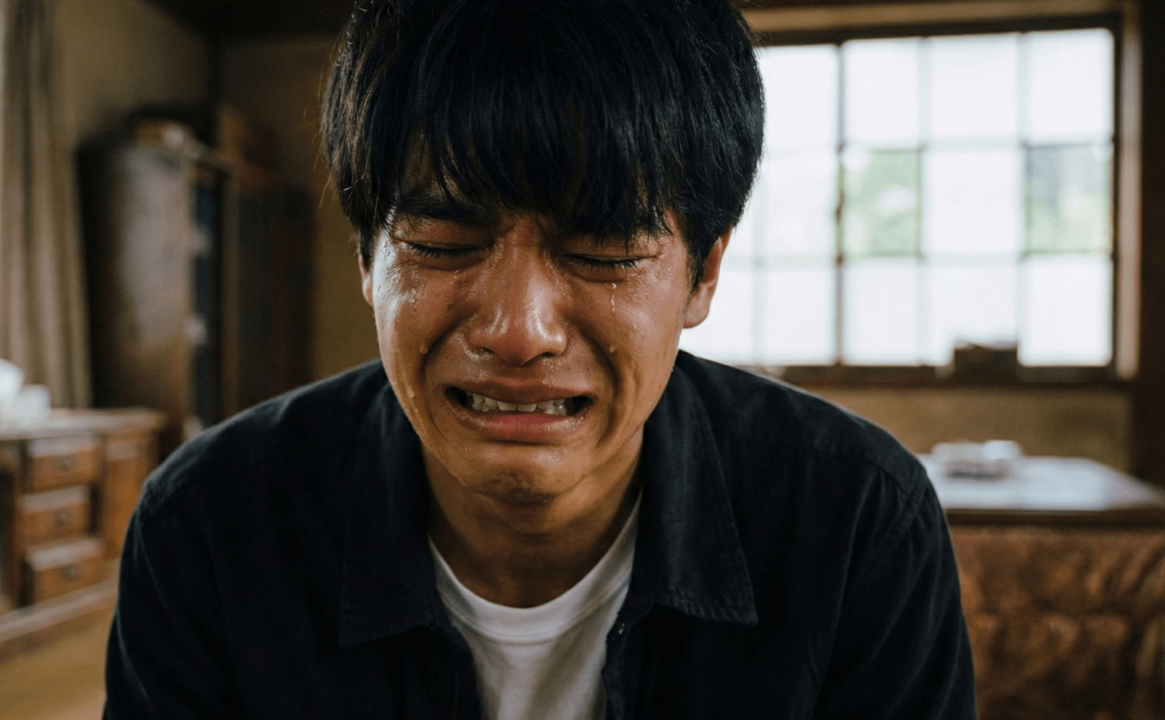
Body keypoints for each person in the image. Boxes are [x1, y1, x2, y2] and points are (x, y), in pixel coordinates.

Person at [104, 0, 977, 717]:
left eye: (602, 251)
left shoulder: (855, 527)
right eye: (443, 242)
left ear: (703, 274)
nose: (519, 331)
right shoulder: (211, 527)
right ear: (368, 260)